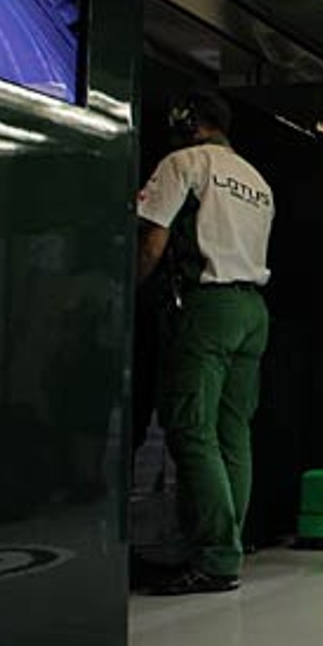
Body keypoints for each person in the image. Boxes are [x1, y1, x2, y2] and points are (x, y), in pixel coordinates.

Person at [135, 90, 274, 595]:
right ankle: (226, 546)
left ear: (190, 123)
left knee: (191, 429)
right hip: (253, 311)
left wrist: (130, 290)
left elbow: (152, 237)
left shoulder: (184, 162)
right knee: (232, 432)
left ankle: (215, 557)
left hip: (208, 307)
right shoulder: (257, 179)